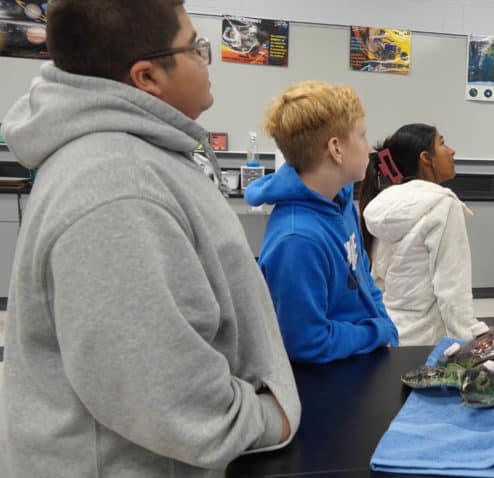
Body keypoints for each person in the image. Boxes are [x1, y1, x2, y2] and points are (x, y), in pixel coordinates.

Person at [0, 1, 299, 475]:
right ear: (146, 77)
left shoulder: (139, 155)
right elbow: (168, 397)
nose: (207, 59)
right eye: (196, 47)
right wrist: (268, 418)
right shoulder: (118, 187)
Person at [245, 80, 399, 363]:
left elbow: (363, 273)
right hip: (326, 383)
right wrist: (375, 333)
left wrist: (384, 327)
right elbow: (306, 342)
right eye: (362, 136)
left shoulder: (339, 200)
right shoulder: (297, 241)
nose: (369, 148)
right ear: (336, 149)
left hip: (358, 359)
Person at [359, 124, 479, 346]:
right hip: (427, 340)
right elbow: (453, 289)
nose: (451, 151)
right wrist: (467, 344)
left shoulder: (384, 204)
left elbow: (377, 280)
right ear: (426, 158)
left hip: (389, 333)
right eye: (442, 143)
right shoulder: (443, 205)